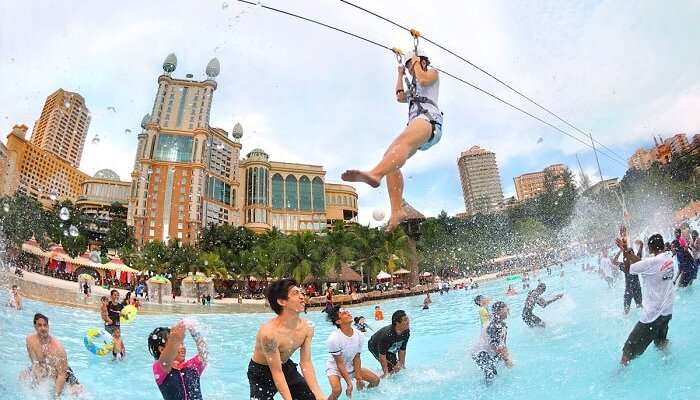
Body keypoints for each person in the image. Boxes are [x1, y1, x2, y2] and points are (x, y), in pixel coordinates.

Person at [341, 48, 443, 232]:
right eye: (410, 66)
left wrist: (416, 62)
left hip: (430, 121)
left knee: (400, 145)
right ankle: (396, 211)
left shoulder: (431, 73)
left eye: (412, 65)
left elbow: (423, 78)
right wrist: (400, 73)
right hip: (417, 126)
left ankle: (375, 174)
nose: (411, 69)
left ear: (422, 61)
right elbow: (399, 96)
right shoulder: (413, 85)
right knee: (389, 157)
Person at [248, 279, 325, 400]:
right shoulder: (269, 334)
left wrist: (319, 394)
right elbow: (276, 372)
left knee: (310, 397)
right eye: (295, 293)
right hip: (260, 372)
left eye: (301, 293)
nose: (302, 297)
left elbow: (306, 363)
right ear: (282, 301)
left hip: (285, 365)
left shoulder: (307, 328)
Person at [615, 234, 674, 366]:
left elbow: (630, 269)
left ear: (651, 248)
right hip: (667, 312)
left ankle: (619, 376)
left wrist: (624, 251)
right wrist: (628, 250)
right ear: (663, 245)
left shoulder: (652, 263)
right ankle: (670, 363)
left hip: (652, 317)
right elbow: (643, 264)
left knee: (627, 351)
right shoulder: (668, 257)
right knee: (661, 343)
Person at [325, 306, 380, 400]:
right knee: (337, 391)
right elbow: (339, 363)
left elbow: (357, 357)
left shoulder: (359, 335)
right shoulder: (333, 339)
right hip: (335, 368)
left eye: (348, 311)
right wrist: (349, 383)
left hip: (351, 366)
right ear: (338, 321)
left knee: (375, 380)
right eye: (344, 313)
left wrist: (358, 378)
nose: (349, 313)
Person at [22, 313, 83, 397]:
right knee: (22, 376)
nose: (43, 328)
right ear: (35, 326)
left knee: (78, 393)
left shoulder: (58, 348)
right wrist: (36, 375)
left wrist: (56, 395)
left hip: (64, 373)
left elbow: (62, 375)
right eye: (39, 325)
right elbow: (34, 361)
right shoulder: (30, 340)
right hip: (45, 368)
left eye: (45, 325)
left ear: (48, 326)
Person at [149, 320, 208, 400]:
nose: (182, 347)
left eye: (182, 343)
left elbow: (204, 352)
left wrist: (193, 331)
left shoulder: (192, 366)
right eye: (178, 344)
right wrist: (176, 336)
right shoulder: (160, 369)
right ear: (162, 350)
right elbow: (166, 359)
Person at [471, 301, 513, 384]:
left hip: (488, 352)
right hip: (480, 352)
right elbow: (494, 344)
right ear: (498, 311)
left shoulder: (502, 325)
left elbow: (502, 344)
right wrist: (506, 360)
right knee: (491, 376)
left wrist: (507, 357)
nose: (508, 310)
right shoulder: (494, 325)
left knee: (495, 374)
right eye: (506, 308)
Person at [368, 310, 410, 377]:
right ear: (397, 323)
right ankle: (380, 379)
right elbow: (382, 356)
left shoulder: (406, 331)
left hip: (389, 347)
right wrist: (386, 373)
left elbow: (402, 350)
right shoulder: (387, 335)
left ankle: (386, 373)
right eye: (405, 320)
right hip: (374, 345)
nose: (408, 322)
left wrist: (402, 366)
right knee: (390, 370)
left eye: (407, 319)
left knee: (398, 367)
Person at [614, 239, 643, 314]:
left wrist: (641, 244)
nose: (629, 257)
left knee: (640, 307)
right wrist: (620, 250)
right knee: (626, 311)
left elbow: (640, 251)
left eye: (631, 254)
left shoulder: (637, 264)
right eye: (628, 254)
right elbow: (614, 261)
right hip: (628, 291)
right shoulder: (625, 266)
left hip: (637, 289)